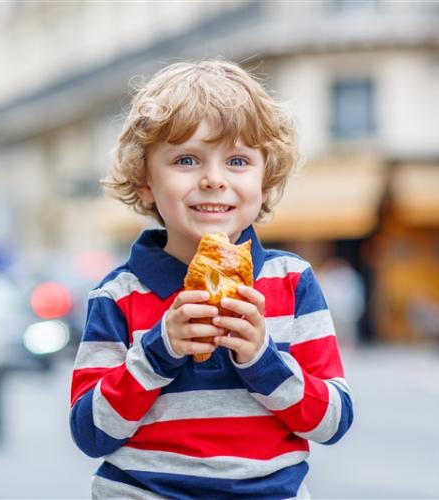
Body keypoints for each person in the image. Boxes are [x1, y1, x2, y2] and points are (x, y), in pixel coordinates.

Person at [69, 60, 354, 499]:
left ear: (266, 178)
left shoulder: (291, 281)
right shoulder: (117, 296)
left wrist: (262, 358)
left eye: (238, 160)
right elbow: (91, 433)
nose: (214, 180)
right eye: (186, 159)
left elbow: (332, 422)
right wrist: (158, 351)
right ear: (146, 182)